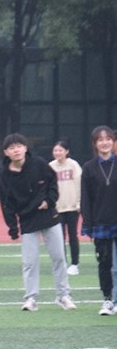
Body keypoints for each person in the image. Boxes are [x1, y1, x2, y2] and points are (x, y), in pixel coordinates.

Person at [0, 133, 75, 312]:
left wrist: (49, 201)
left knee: (59, 257)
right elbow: (7, 204)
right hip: (27, 221)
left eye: (19, 146)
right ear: (6, 152)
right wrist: (12, 227)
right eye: (11, 148)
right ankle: (31, 298)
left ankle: (63, 295)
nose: (16, 150)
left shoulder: (39, 164)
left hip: (49, 216)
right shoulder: (5, 175)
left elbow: (53, 184)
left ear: (25, 148)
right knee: (30, 262)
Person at [80, 125, 117, 316]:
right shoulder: (88, 167)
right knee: (105, 262)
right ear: (95, 144)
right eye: (100, 139)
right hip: (101, 223)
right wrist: (88, 224)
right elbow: (85, 198)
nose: (105, 142)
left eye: (108, 139)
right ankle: (108, 299)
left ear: (113, 141)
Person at [50, 140, 83, 276]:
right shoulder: (51, 166)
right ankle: (62, 263)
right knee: (59, 237)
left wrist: (79, 203)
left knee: (73, 235)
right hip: (57, 208)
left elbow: (80, 184)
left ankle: (75, 264)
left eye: (60, 150)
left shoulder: (73, 165)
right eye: (55, 150)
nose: (57, 153)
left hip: (72, 207)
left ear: (67, 151)